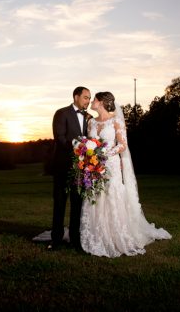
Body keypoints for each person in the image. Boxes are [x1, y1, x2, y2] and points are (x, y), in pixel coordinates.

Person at [79, 92, 171, 257]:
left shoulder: (116, 121)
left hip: (111, 164)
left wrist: (105, 153)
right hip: (94, 165)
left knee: (112, 195)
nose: (92, 102)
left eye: (94, 99)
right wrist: (89, 156)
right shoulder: (91, 122)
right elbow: (88, 143)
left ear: (101, 102)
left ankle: (117, 236)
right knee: (96, 196)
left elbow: (122, 145)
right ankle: (97, 235)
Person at [48, 86, 92, 250]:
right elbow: (59, 138)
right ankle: (56, 240)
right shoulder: (62, 113)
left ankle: (76, 240)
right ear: (76, 97)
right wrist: (79, 147)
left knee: (78, 205)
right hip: (63, 166)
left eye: (89, 98)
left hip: (81, 169)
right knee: (59, 204)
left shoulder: (89, 117)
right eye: (86, 97)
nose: (88, 101)